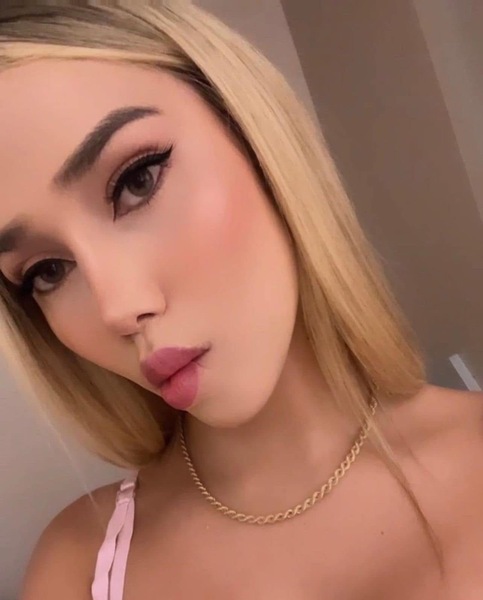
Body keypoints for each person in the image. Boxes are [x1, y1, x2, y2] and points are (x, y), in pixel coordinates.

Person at [0, 2, 482, 599]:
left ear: (252, 132)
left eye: (137, 181)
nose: (117, 308)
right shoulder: (76, 569)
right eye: (47, 272)